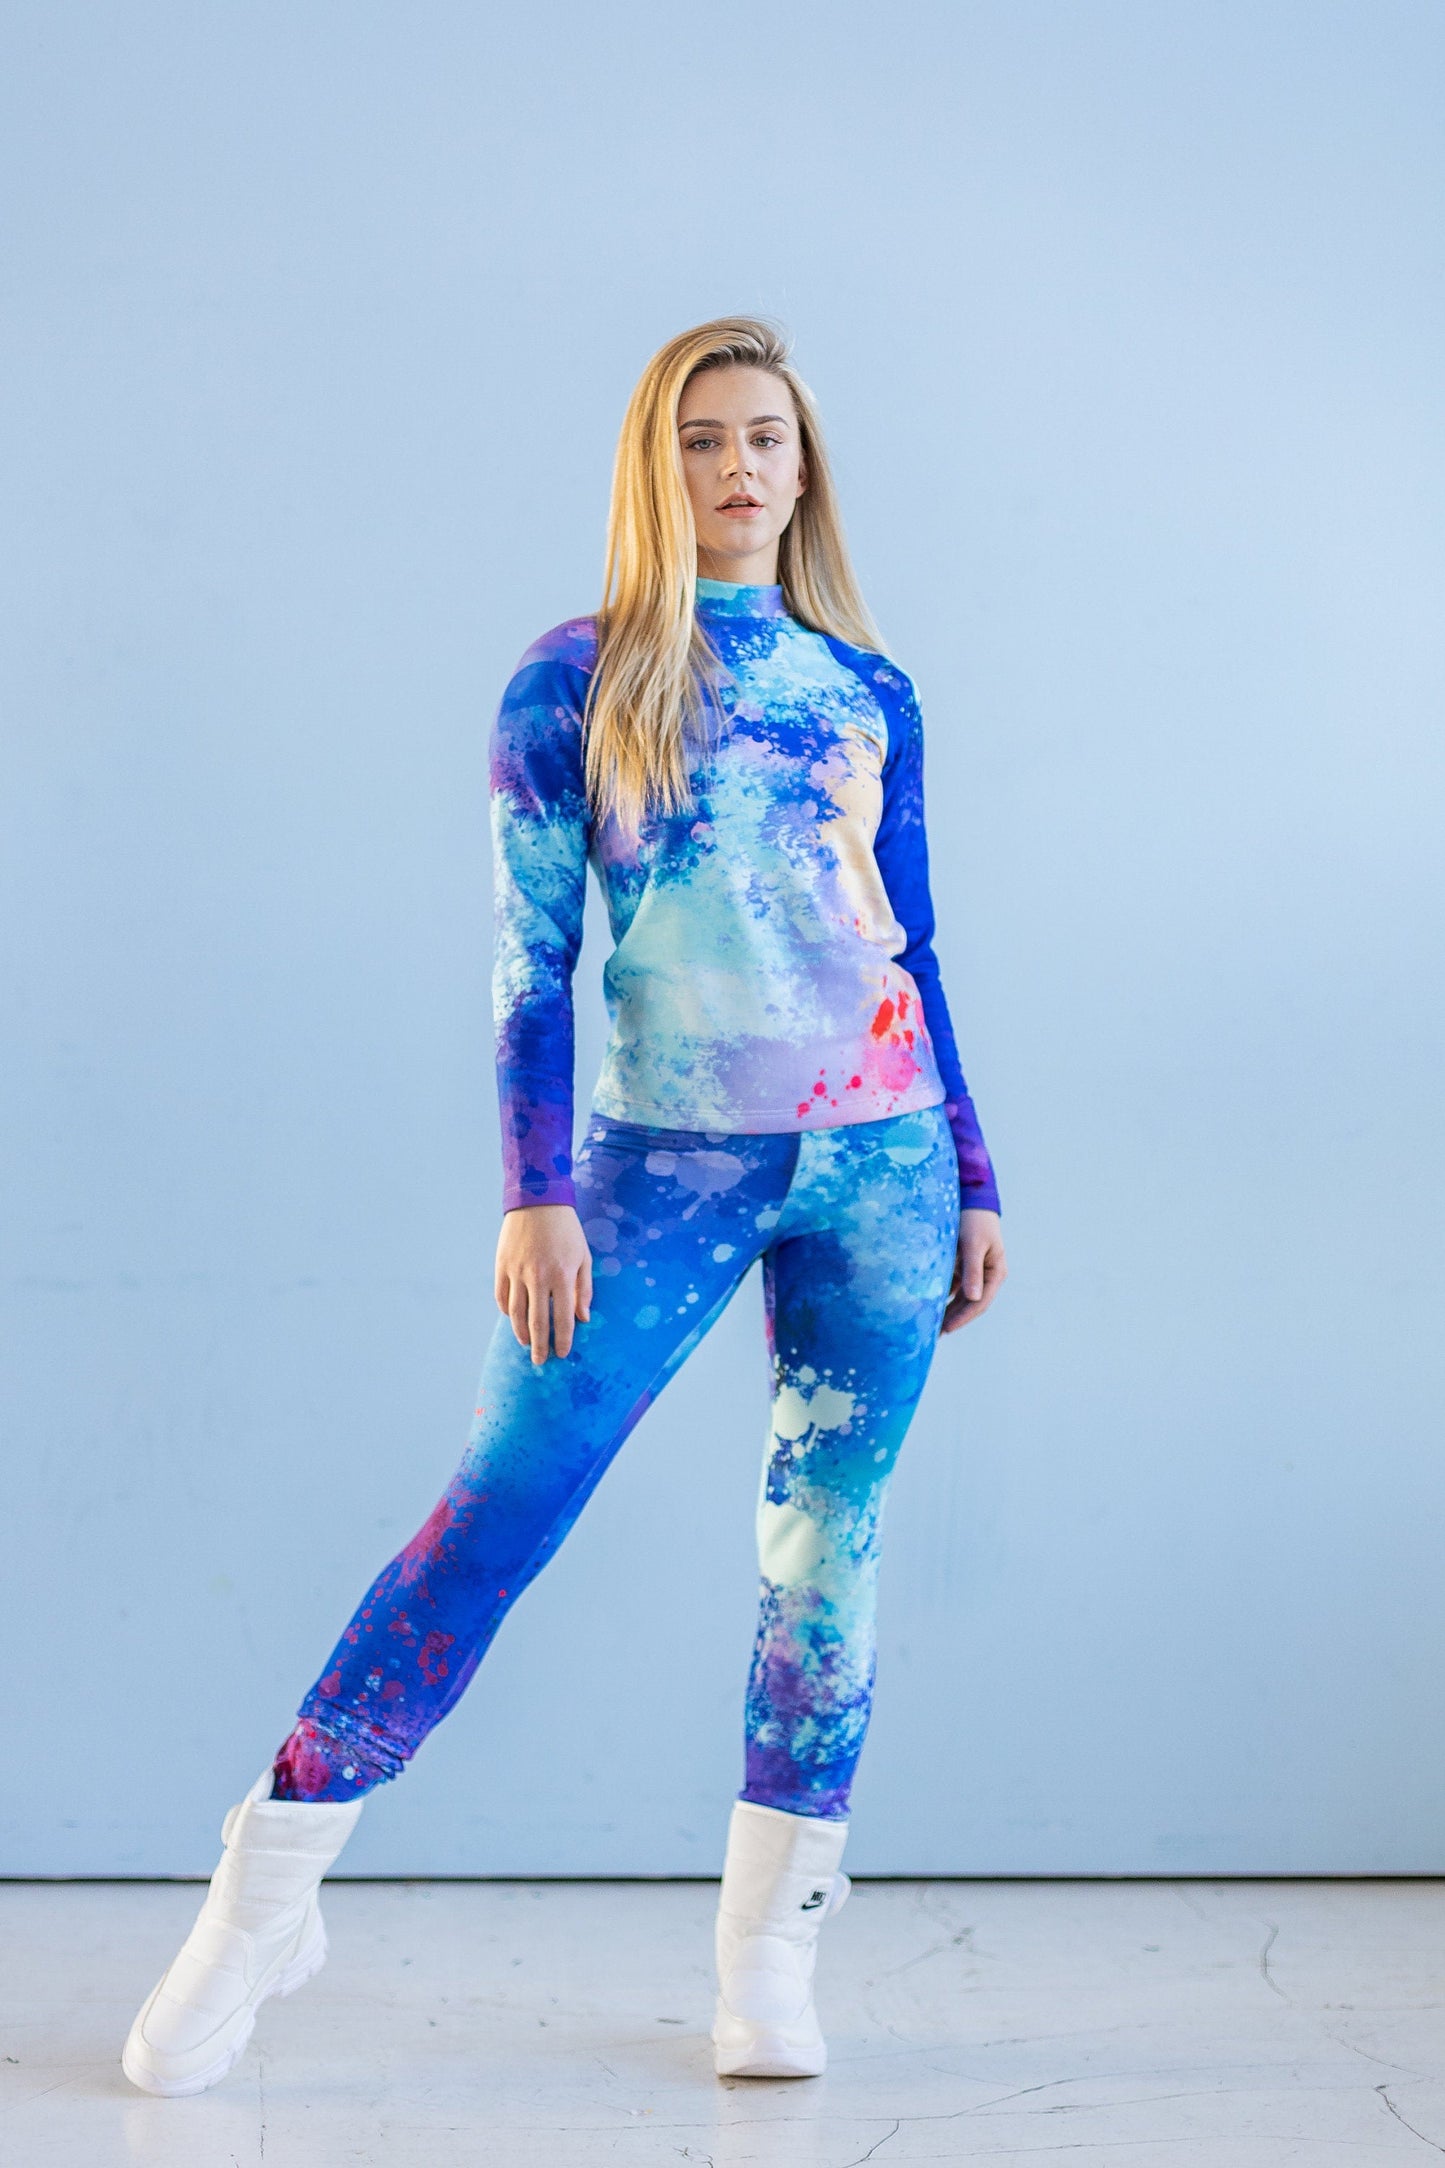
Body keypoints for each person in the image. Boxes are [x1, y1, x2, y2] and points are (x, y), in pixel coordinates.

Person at [121, 316, 1007, 2097]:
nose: (739, 468)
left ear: (805, 469)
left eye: (766, 438)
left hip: (885, 1165)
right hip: (659, 1168)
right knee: (498, 1511)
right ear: (653, 467)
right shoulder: (573, 682)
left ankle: (767, 1960)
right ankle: (264, 1894)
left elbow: (906, 938)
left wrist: (973, 1172)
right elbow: (531, 962)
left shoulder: (868, 687)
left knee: (823, 1546)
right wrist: (533, 1194)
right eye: (702, 439)